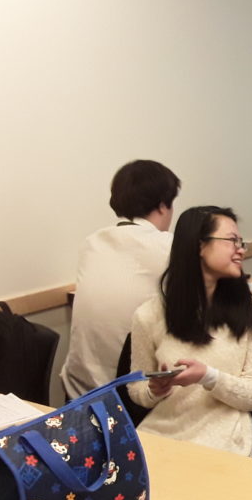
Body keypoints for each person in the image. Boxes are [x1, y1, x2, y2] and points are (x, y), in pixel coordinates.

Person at [128, 206, 252, 456]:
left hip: (223, 437)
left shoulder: (251, 310)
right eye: (231, 241)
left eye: (241, 241)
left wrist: (208, 376)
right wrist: (154, 390)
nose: (241, 249)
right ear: (199, 246)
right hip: (163, 431)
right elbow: (136, 389)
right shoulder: (148, 315)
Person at [60, 159, 180, 399]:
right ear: (162, 205)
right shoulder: (168, 246)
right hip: (135, 396)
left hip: (77, 390)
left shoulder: (92, 243)